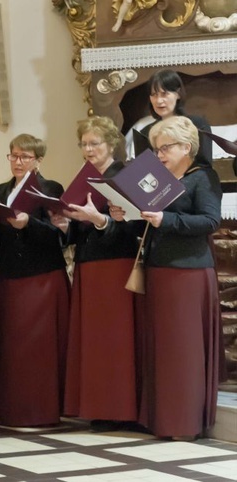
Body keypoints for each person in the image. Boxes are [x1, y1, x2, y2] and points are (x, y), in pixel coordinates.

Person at [110, 116, 222, 440]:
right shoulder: (156, 179)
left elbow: (209, 221)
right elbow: (146, 225)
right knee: (161, 350)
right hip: (159, 270)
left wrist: (166, 219)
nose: (159, 155)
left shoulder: (203, 177)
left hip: (188, 273)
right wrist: (123, 215)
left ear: (186, 147)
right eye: (157, 149)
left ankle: (183, 423)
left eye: (165, 148)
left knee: (183, 352)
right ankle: (161, 421)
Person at [0, 134, 69, 427]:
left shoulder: (50, 188)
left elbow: (59, 236)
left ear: (38, 160)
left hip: (42, 276)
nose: (18, 162)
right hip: (10, 276)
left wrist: (29, 223)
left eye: (25, 157)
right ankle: (12, 409)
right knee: (13, 346)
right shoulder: (0, 190)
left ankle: (41, 410)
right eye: (14, 156)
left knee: (39, 348)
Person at [61, 116, 139, 431]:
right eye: (85, 144)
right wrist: (65, 224)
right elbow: (81, 226)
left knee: (115, 338)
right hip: (89, 264)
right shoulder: (86, 178)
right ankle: (97, 406)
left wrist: (101, 220)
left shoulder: (128, 175)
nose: (89, 149)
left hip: (117, 263)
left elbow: (133, 226)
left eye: (95, 143)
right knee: (93, 338)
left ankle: (118, 408)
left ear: (111, 145)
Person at [137, 69, 212, 168]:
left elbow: (204, 166)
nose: (159, 101)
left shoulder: (197, 125)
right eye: (154, 95)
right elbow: (143, 170)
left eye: (164, 94)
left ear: (178, 94)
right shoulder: (145, 133)